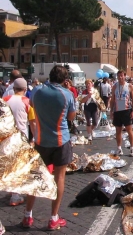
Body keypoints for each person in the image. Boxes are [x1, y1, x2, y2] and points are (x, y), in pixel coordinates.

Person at [23, 65, 76, 230]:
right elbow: (71, 117)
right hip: (61, 140)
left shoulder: (37, 91)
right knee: (59, 177)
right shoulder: (67, 94)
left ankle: (27, 215)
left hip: (40, 139)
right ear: (64, 80)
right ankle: (53, 218)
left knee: (36, 177)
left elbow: (31, 105)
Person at [3, 78, 36, 206]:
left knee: (9, 164)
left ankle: (12, 190)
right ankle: (15, 196)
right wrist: (35, 138)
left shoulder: (5, 100)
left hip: (6, 137)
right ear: (25, 89)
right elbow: (32, 122)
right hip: (20, 138)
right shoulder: (27, 101)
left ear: (13, 88)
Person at [109, 70, 133, 156]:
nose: (120, 77)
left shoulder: (129, 86)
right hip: (117, 111)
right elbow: (112, 99)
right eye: (119, 76)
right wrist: (111, 110)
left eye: (122, 76)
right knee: (118, 131)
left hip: (127, 110)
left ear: (125, 76)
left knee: (129, 130)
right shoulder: (114, 86)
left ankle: (132, 148)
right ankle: (119, 148)